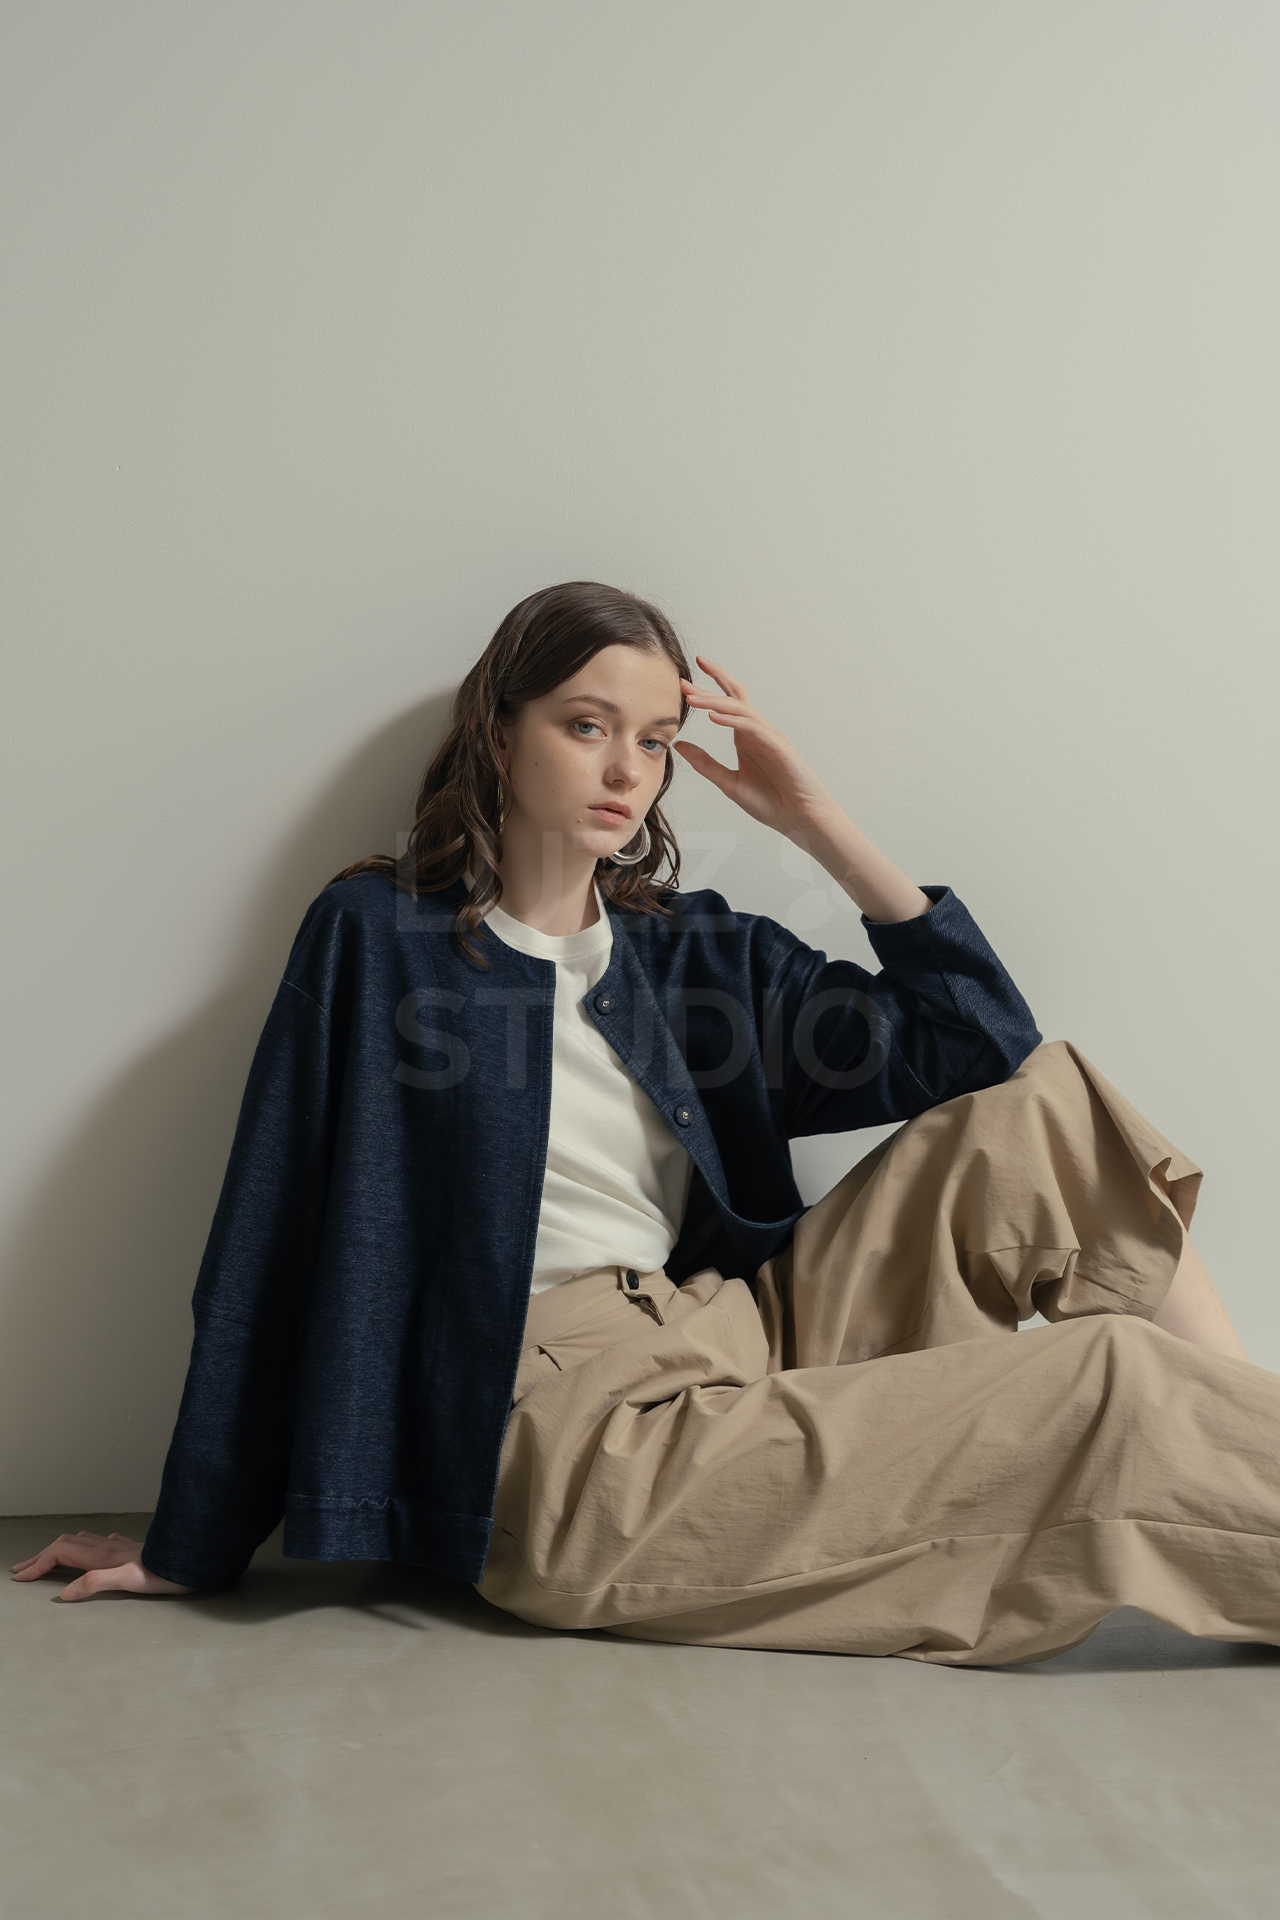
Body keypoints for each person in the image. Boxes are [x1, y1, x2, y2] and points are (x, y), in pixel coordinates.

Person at [15, 581, 1273, 1667]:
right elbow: (270, 1230)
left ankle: (1245, 1441)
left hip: (726, 1333)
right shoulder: (380, 941)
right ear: (498, 733)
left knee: (1048, 1111)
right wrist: (192, 1541)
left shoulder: (691, 953)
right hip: (573, 1443)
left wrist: (811, 822)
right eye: (586, 726)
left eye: (656, 740)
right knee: (1104, 1385)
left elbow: (975, 1044)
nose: (627, 770)